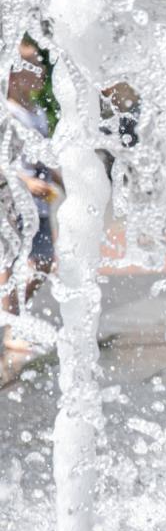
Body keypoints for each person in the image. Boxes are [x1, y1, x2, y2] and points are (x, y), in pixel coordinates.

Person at [2, 38, 60, 364]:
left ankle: (14, 320)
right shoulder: (6, 112)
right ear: (13, 73)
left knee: (42, 262)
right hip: (13, 200)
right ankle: (12, 326)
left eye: (39, 64)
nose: (38, 71)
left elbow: (44, 155)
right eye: (31, 65)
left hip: (40, 201)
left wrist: (67, 181)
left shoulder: (36, 112)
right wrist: (26, 181)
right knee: (13, 264)